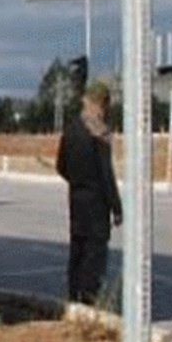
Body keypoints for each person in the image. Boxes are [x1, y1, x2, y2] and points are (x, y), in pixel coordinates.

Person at [55, 82, 122, 305]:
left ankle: (73, 301)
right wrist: (116, 207)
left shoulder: (72, 128)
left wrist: (76, 182)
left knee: (77, 253)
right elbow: (106, 175)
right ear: (101, 104)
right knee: (93, 259)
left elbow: (60, 165)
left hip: (76, 200)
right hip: (96, 206)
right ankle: (88, 303)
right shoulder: (100, 133)